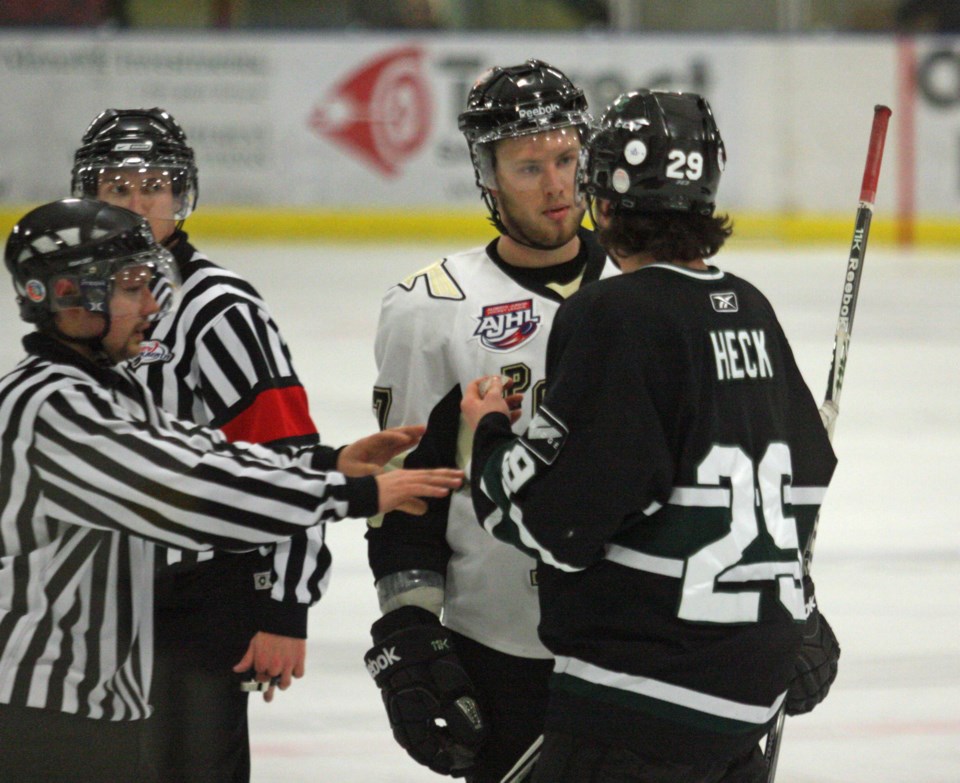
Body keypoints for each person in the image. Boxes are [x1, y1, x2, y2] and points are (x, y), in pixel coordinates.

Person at [0, 197, 463, 783]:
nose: (152, 304)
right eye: (131, 287)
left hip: (81, 702)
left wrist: (332, 464)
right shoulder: (52, 406)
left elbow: (207, 454)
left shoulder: (104, 390)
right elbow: (194, 491)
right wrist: (353, 496)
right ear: (69, 294)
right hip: (34, 707)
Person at [461, 89, 841, 782]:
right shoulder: (750, 306)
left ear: (602, 203)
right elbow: (808, 475)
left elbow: (554, 519)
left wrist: (486, 435)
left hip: (642, 708)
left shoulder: (615, 314)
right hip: (747, 698)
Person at [67, 105, 353, 782]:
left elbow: (285, 456)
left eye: (153, 187)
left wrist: (285, 606)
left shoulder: (215, 309)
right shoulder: (79, 309)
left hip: (193, 605)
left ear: (180, 196)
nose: (137, 205)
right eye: (118, 188)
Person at [362, 59, 618, 782]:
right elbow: (407, 484)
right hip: (499, 640)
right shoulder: (432, 308)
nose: (558, 184)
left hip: (639, 638)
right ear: (488, 174)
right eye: (529, 166)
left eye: (567, 159)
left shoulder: (646, 284)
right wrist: (410, 626)